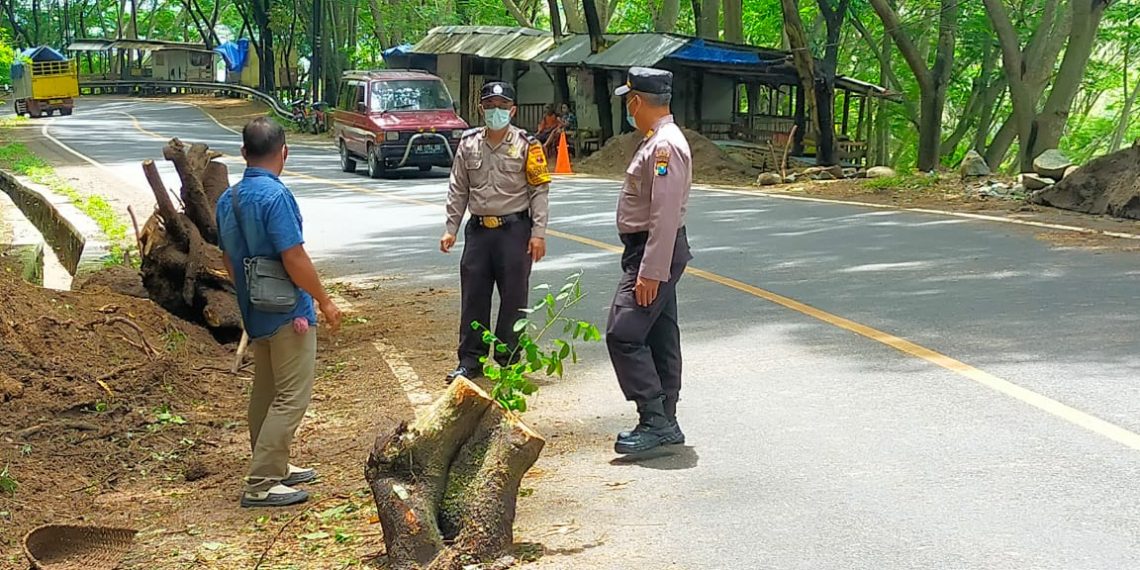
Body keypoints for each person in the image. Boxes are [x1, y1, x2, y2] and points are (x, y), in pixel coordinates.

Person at [216, 117, 343, 507]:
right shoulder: (276, 197)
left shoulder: (228, 199)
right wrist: (323, 299)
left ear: (243, 154)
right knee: (292, 396)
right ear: (284, 152)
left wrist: (247, 296)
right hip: (289, 310)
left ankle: (274, 464)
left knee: (266, 391)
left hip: (254, 307)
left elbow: (227, 258)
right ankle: (261, 482)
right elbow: (294, 256)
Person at [606, 67, 694, 455]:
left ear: (637, 101)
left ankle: (654, 418)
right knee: (659, 332)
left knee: (623, 332)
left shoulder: (665, 146)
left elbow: (664, 213)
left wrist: (651, 271)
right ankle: (667, 418)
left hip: (654, 250)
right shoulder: (657, 140)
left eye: (629, 100)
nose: (629, 106)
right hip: (650, 249)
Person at [440, 81, 551, 382]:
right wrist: (451, 228)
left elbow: (539, 190)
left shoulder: (528, 145)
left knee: (514, 297)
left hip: (514, 231)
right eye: (490, 107)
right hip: (479, 231)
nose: (496, 112)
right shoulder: (469, 143)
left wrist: (538, 233)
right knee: (474, 296)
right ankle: (470, 361)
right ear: (481, 109)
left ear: (513, 110)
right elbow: (458, 188)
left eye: (502, 107)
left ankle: (509, 360)